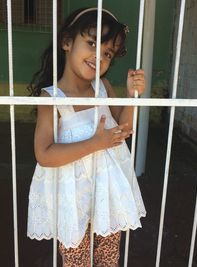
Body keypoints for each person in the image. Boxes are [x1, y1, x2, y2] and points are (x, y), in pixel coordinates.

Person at [27, 7, 146, 267]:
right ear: (67, 42)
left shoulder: (102, 88)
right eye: (91, 43)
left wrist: (133, 96)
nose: (99, 56)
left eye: (107, 53)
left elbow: (122, 130)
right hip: (72, 198)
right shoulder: (52, 98)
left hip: (107, 193)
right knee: (76, 260)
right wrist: (95, 143)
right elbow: (44, 154)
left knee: (108, 258)